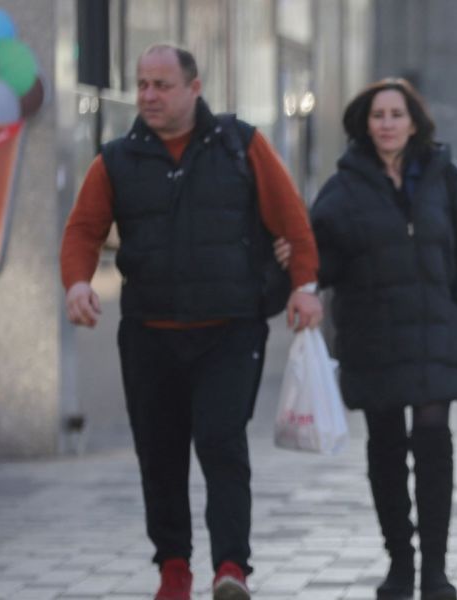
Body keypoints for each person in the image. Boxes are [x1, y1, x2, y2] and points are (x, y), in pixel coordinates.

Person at [60, 44, 323, 600]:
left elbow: (292, 221)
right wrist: (79, 282)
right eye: (142, 85)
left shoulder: (240, 144)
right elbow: (83, 231)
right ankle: (173, 570)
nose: (149, 96)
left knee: (221, 444)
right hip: (149, 333)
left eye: (162, 84)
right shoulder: (115, 159)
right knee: (159, 454)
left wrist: (304, 287)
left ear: (193, 87)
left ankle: (231, 568)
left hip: (230, 330)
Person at [308, 78, 457, 600]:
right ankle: (400, 564)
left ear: (414, 121)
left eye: (396, 113)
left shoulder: (443, 174)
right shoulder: (343, 187)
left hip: (438, 331)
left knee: (434, 445)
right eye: (377, 115)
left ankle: (435, 568)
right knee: (385, 449)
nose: (386, 122)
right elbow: (320, 255)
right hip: (372, 336)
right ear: (364, 125)